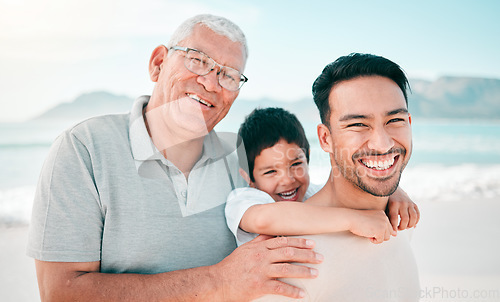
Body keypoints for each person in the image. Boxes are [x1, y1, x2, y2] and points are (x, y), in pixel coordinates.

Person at [27, 14, 323, 301]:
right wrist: (218, 282)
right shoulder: (82, 148)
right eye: (198, 60)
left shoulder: (243, 163)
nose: (211, 83)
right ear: (158, 64)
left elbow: (303, 212)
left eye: (229, 75)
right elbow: (61, 293)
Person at [254, 53, 421, 301]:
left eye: (394, 120)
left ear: (409, 122)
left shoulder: (400, 220)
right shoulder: (294, 260)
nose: (382, 143)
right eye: (358, 124)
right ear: (325, 139)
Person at [225, 107, 419, 247]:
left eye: (296, 164)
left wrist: (394, 192)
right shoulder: (244, 198)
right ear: (248, 176)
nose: (287, 179)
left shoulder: (313, 193)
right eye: (270, 172)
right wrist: (352, 219)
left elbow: (350, 189)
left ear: (307, 157)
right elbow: (264, 219)